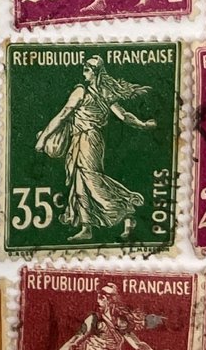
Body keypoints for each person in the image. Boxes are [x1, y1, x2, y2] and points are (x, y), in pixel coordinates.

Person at [35, 54, 157, 241]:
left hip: (88, 139)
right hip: (84, 139)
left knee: (91, 180)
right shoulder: (103, 93)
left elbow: (63, 115)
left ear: (96, 72)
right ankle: (87, 227)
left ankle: (125, 209)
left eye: (87, 68)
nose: (84, 71)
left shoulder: (82, 92)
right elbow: (124, 115)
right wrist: (142, 124)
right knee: (80, 181)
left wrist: (43, 138)